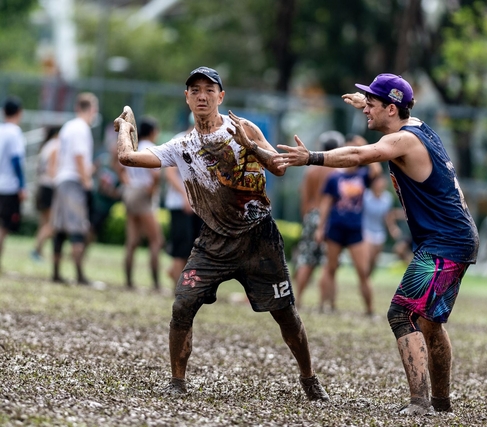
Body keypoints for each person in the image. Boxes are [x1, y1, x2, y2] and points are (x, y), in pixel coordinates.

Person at [113, 66, 328, 400]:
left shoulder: (242, 127)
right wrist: (125, 128)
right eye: (195, 90)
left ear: (221, 96)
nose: (202, 96)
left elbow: (279, 167)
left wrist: (250, 145)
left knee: (285, 313)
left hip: (259, 238)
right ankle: (177, 382)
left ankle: (309, 380)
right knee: (182, 305)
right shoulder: (181, 145)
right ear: (187, 98)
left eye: (209, 90)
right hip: (213, 242)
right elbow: (127, 157)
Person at [275, 73, 479, 415]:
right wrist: (368, 104)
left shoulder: (402, 140)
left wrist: (310, 157)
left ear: (391, 108)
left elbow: (358, 155)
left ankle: (420, 404)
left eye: (372, 103)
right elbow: (395, 114)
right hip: (456, 238)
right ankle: (441, 405)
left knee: (401, 313)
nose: (366, 109)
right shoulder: (418, 126)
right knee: (430, 323)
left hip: (445, 242)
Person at [314, 134, 381, 315]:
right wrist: (320, 228)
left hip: (355, 229)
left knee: (363, 271)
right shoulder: (334, 177)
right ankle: (325, 305)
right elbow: (326, 203)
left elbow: (377, 170)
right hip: (335, 227)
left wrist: (365, 146)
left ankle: (369, 309)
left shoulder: (363, 175)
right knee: (330, 268)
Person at [50, 92, 99, 284]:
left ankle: (56, 273)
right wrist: (87, 182)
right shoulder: (81, 128)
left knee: (60, 228)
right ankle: (79, 275)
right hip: (74, 181)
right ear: (92, 109)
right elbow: (79, 156)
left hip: (61, 179)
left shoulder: (68, 126)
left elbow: (58, 153)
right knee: (78, 229)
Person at [293, 130, 344, 306]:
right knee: (329, 263)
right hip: (329, 217)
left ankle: (298, 299)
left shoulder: (311, 171)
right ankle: (326, 303)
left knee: (306, 259)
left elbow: (304, 199)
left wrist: (306, 219)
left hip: (311, 215)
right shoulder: (337, 171)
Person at [117, 116, 164, 291]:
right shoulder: (150, 148)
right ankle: (156, 284)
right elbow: (155, 175)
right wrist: (152, 190)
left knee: (132, 240)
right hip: (143, 194)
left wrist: (128, 182)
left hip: (130, 192)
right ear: (152, 132)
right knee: (156, 240)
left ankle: (128, 282)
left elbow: (120, 168)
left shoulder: (133, 147)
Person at [164, 114, 203, 284]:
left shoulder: (204, 144)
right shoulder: (179, 141)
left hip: (198, 207)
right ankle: (178, 288)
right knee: (181, 248)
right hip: (180, 204)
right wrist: (186, 196)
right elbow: (170, 174)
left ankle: (180, 280)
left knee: (195, 248)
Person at [0, 96, 26, 273]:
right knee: (3, 227)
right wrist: (22, 186)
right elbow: (16, 161)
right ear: (19, 112)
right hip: (8, 185)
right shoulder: (15, 132)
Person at [362, 174, 403, 276]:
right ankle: (364, 279)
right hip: (366, 230)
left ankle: (367, 279)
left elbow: (387, 216)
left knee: (374, 260)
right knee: (367, 257)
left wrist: (392, 228)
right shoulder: (365, 196)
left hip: (379, 232)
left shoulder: (387, 198)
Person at [31, 126, 61, 261]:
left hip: (42, 186)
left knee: (43, 223)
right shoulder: (55, 146)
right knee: (52, 224)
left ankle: (38, 252)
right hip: (49, 187)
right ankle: (36, 249)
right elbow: (52, 170)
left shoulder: (46, 146)